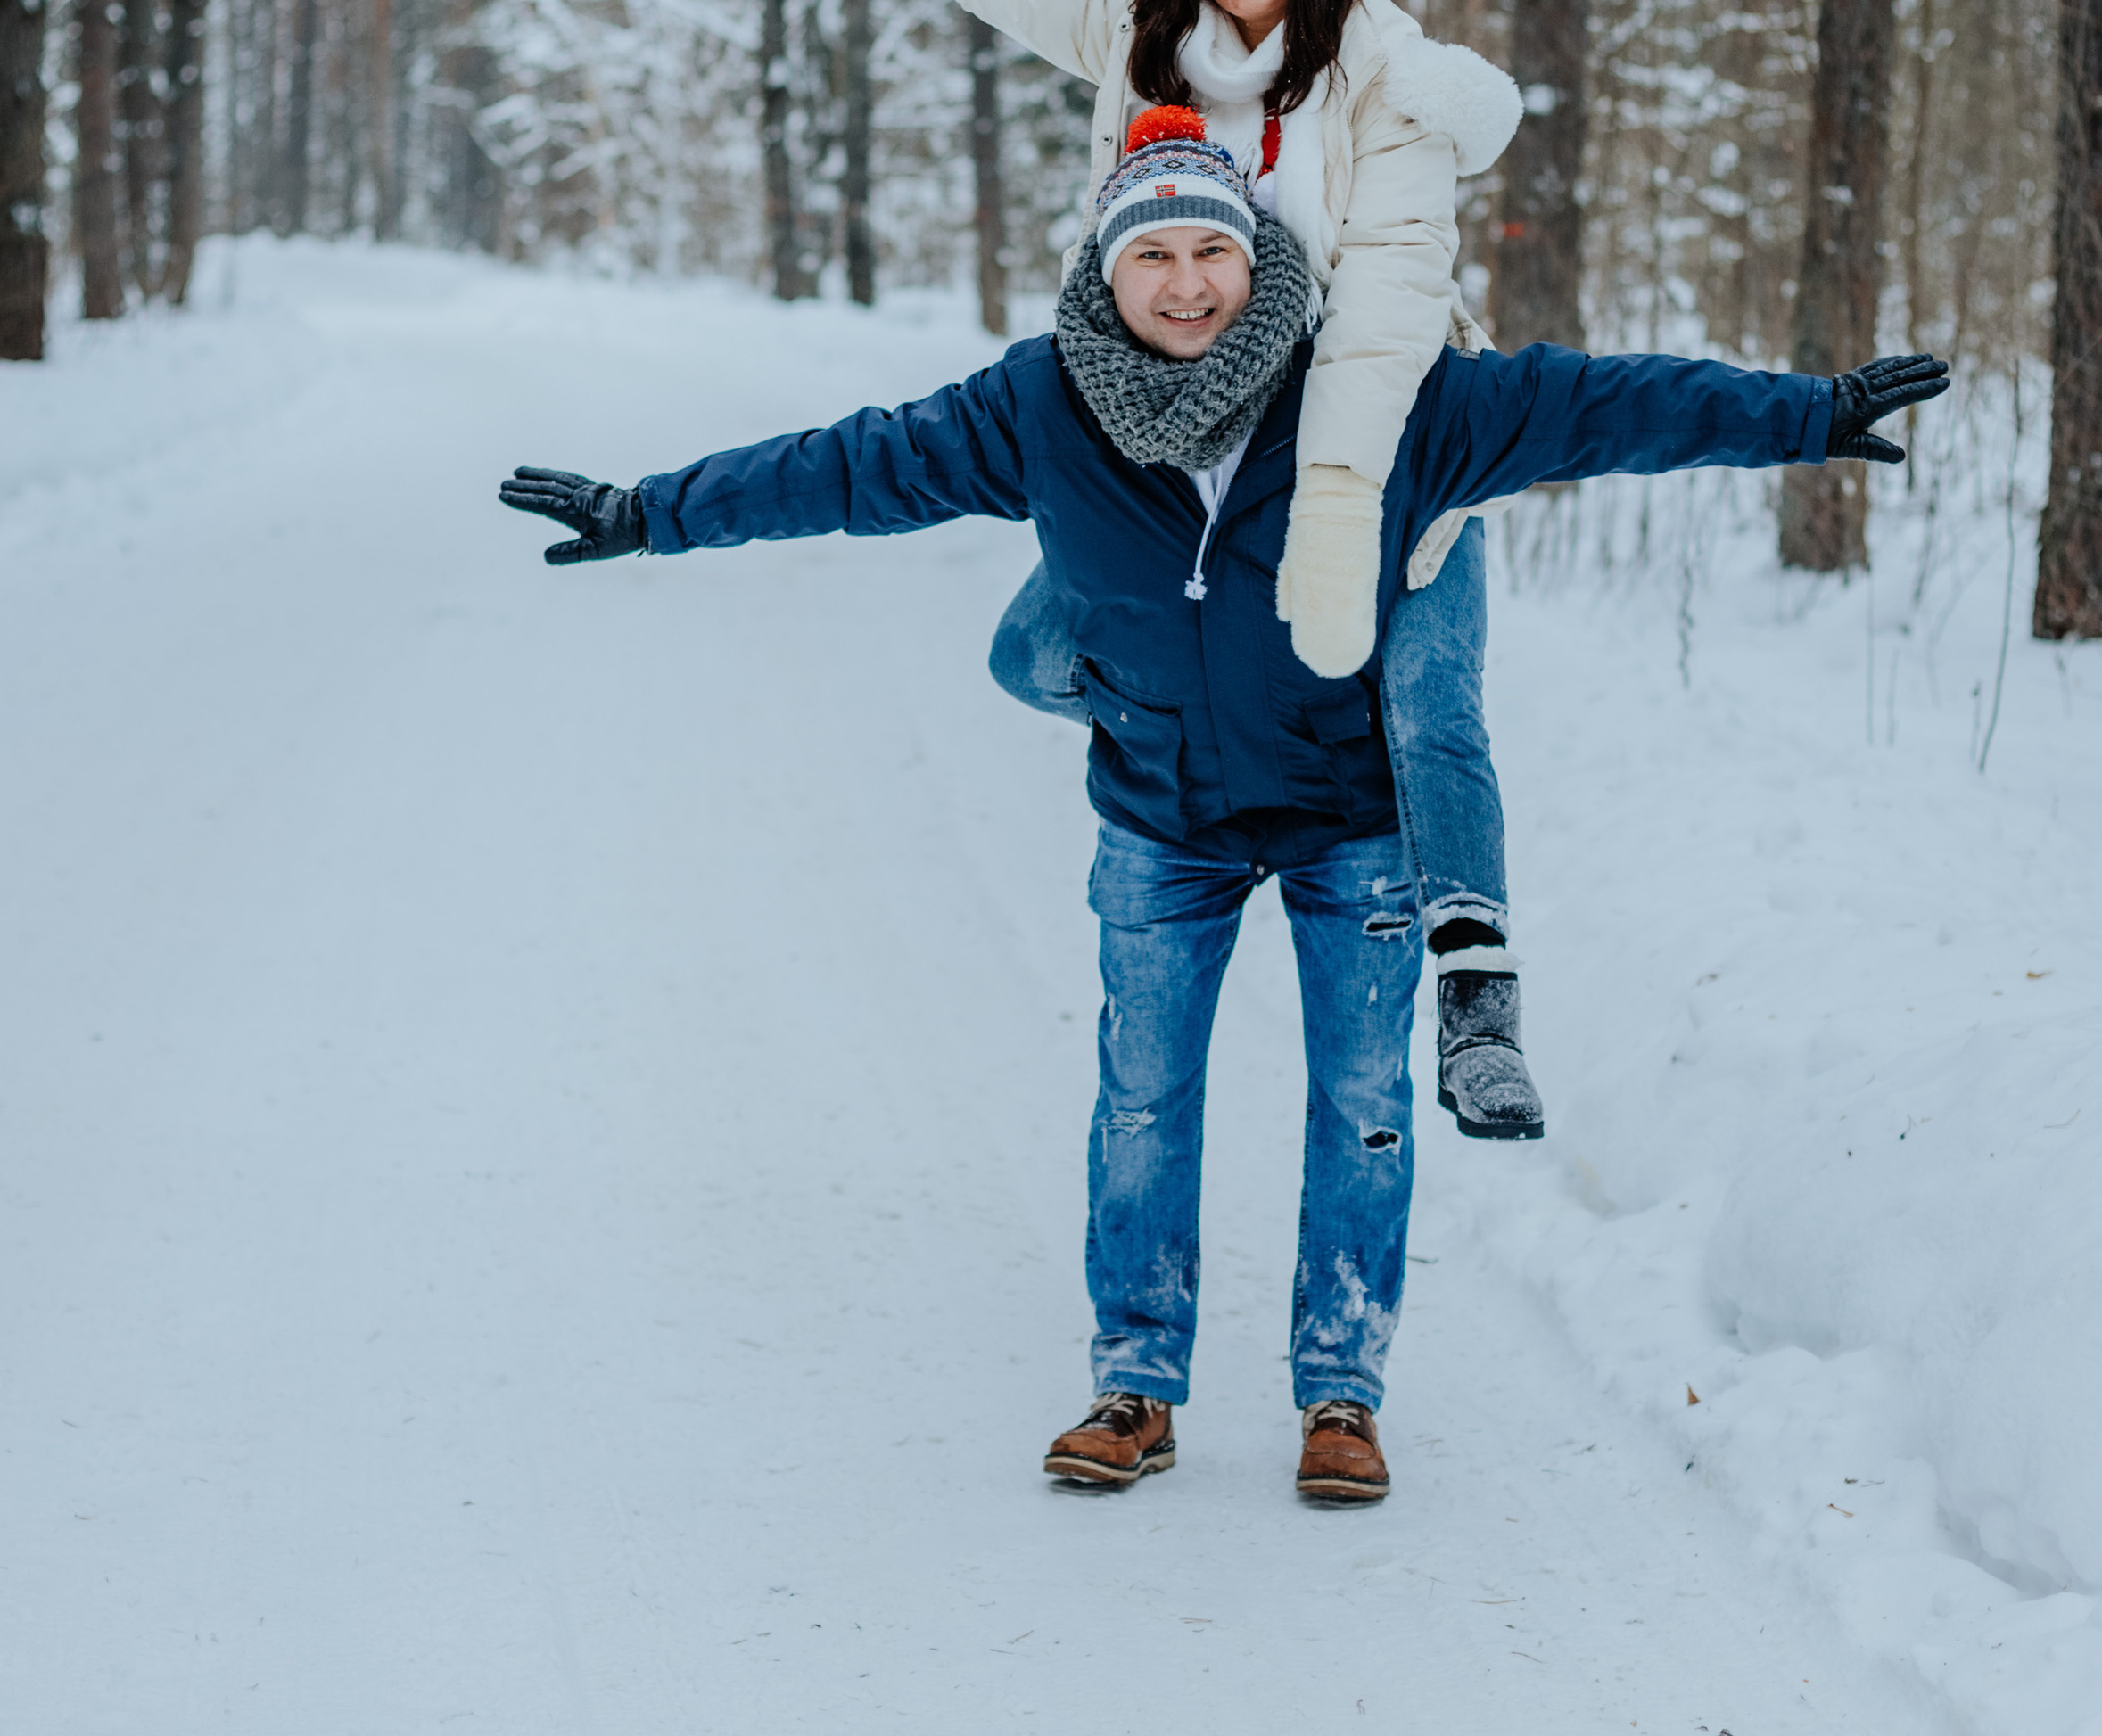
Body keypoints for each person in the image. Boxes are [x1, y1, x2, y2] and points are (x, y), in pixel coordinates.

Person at [500, 110, 1947, 1510]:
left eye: (1213, 252)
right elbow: (850, 466)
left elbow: (1595, 403)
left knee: (1365, 1105)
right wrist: (652, 512)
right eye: (1153, 255)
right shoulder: (1041, 404)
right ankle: (1134, 1385)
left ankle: (1342, 1395)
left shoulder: (1374, 389)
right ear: (1106, 265)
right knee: (1142, 1099)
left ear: (1257, 259)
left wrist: (1807, 416)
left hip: (1350, 815)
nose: (1187, 284)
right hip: (1164, 818)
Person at [737, 0, 1546, 1141]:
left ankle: (1478, 997)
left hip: (1380, 436)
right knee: (1028, 652)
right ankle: (1225, 721)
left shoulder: (1389, 77)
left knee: (1428, 698)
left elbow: (1387, 314)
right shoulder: (1136, 27)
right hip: (1191, 455)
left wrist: (1341, 502)